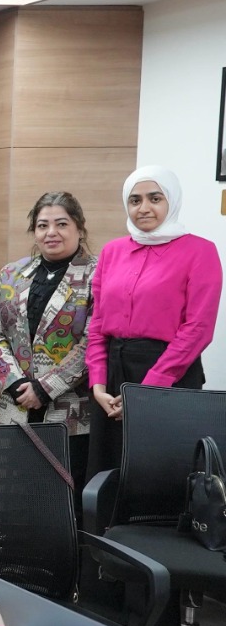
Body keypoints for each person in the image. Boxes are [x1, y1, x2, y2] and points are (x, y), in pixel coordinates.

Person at [86, 166, 222, 476]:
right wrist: (97, 383)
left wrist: (147, 390)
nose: (143, 208)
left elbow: (198, 329)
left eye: (155, 198)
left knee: (159, 472)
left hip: (170, 375)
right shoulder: (112, 251)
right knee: (108, 471)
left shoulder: (200, 251)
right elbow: (98, 324)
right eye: (135, 200)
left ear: (171, 201)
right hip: (112, 379)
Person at [0, 191, 97, 488]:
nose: (51, 232)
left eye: (62, 224)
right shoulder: (12, 273)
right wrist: (14, 383)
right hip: (17, 404)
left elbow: (93, 342)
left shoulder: (97, 274)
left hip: (70, 412)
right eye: (43, 225)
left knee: (61, 495)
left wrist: (44, 388)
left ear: (79, 228)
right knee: (15, 491)